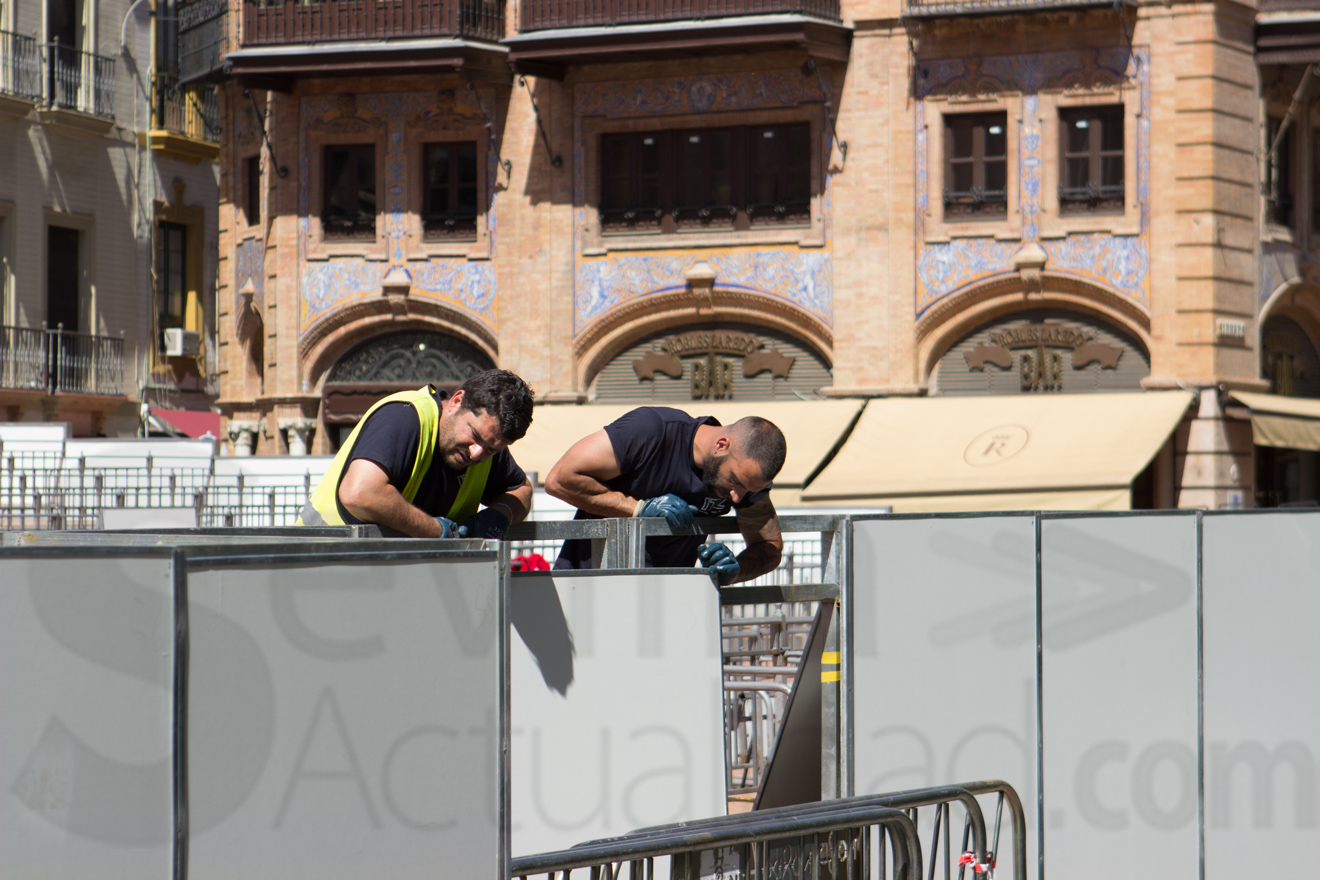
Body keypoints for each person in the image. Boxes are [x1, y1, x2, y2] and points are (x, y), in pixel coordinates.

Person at [545, 407, 787, 584]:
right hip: (589, 586)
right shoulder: (652, 431)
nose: (737, 497)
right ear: (721, 445)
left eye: (748, 490)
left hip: (665, 599)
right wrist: (638, 508)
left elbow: (769, 547)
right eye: (735, 481)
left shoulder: (744, 479)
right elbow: (560, 479)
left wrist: (735, 570)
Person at [297, 369, 535, 538]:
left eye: (492, 449)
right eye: (474, 434)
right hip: (318, 563)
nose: (477, 453)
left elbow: (521, 489)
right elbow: (359, 493)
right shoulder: (405, 416)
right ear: (456, 401)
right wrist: (435, 530)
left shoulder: (488, 444)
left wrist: (500, 515)